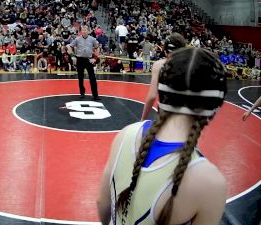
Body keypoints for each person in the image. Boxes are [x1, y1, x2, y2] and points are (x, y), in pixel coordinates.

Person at [97, 48, 227, 225]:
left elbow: (102, 203)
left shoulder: (126, 134)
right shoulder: (210, 182)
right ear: (215, 105)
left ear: (163, 93)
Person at [141, 33, 187, 121]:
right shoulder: (191, 66)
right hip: (184, 121)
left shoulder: (159, 65)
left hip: (165, 118)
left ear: (165, 50)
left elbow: (152, 96)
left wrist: (143, 119)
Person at [68, 26, 101, 100]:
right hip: (80, 59)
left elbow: (98, 47)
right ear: (80, 31)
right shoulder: (77, 39)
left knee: (92, 77)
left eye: (85, 30)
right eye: (82, 30)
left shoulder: (92, 39)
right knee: (80, 77)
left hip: (89, 60)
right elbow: (70, 47)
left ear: (88, 31)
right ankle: (82, 93)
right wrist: (72, 56)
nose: (84, 31)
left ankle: (95, 95)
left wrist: (95, 58)